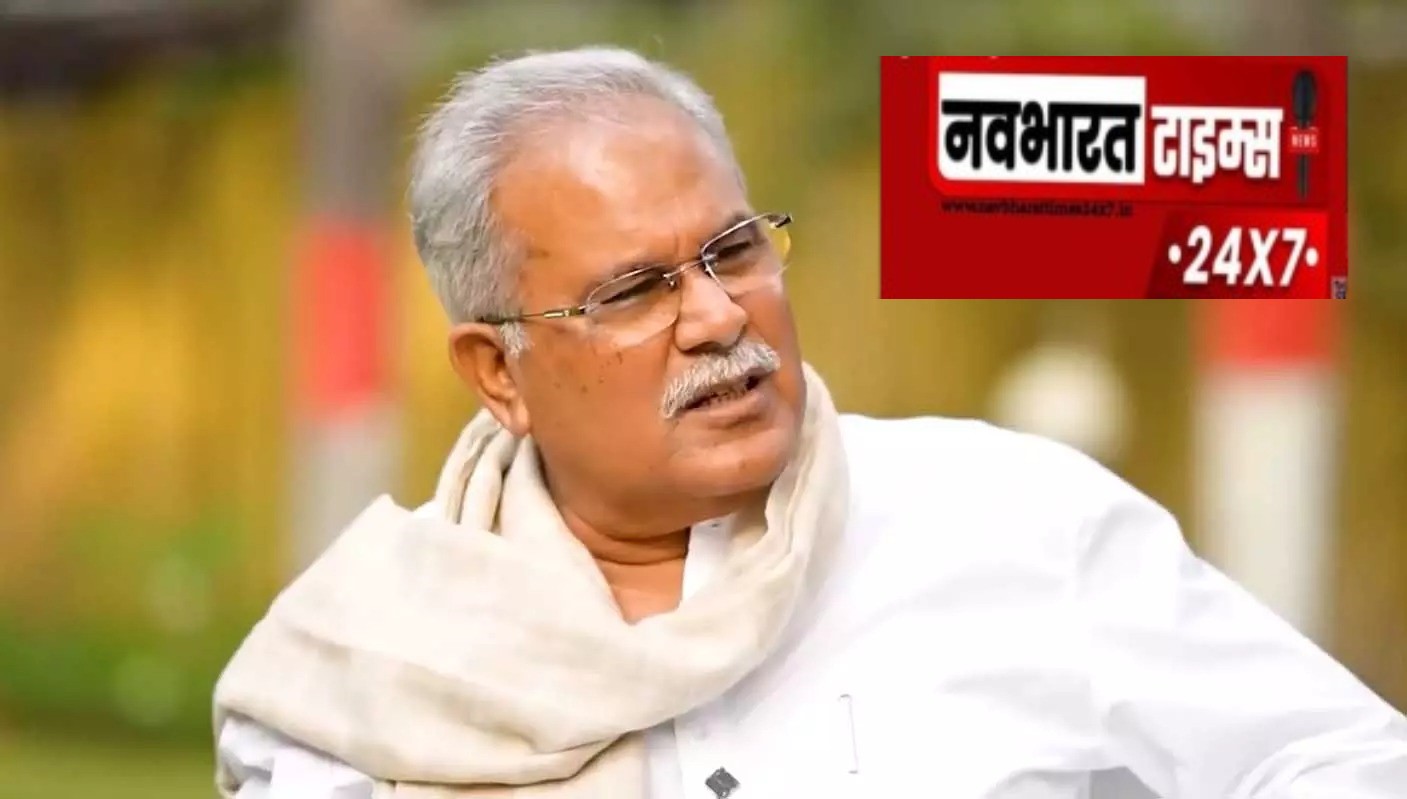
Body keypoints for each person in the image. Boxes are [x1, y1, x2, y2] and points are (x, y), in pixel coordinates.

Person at [212, 47, 1407, 799]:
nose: (717, 315)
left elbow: (1343, 761)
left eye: (734, 249)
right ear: (498, 372)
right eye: (635, 291)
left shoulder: (1011, 521)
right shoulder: (367, 665)